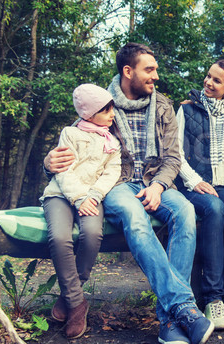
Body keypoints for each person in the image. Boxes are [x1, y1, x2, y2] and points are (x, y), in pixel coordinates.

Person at [44, 43, 213, 344]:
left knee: (186, 212)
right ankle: (184, 308)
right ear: (128, 71)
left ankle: (169, 320)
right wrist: (49, 163)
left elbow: (174, 158)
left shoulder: (162, 106)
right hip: (117, 186)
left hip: (157, 182)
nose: (156, 76)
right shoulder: (101, 104)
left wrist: (159, 185)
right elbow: (74, 149)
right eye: (150, 70)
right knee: (135, 218)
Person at [41, 83, 122, 339]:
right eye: (107, 110)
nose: (112, 115)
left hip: (93, 198)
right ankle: (77, 303)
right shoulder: (70, 133)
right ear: (89, 113)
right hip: (61, 195)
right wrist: (78, 198)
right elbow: (63, 169)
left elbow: (112, 172)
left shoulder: (112, 142)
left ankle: (69, 295)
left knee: (92, 233)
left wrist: (94, 196)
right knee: (59, 237)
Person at [175, 59, 224, 329]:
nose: (208, 82)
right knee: (215, 210)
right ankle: (213, 298)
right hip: (193, 186)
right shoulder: (187, 110)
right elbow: (175, 153)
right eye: (208, 76)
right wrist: (194, 181)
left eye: (217, 80)